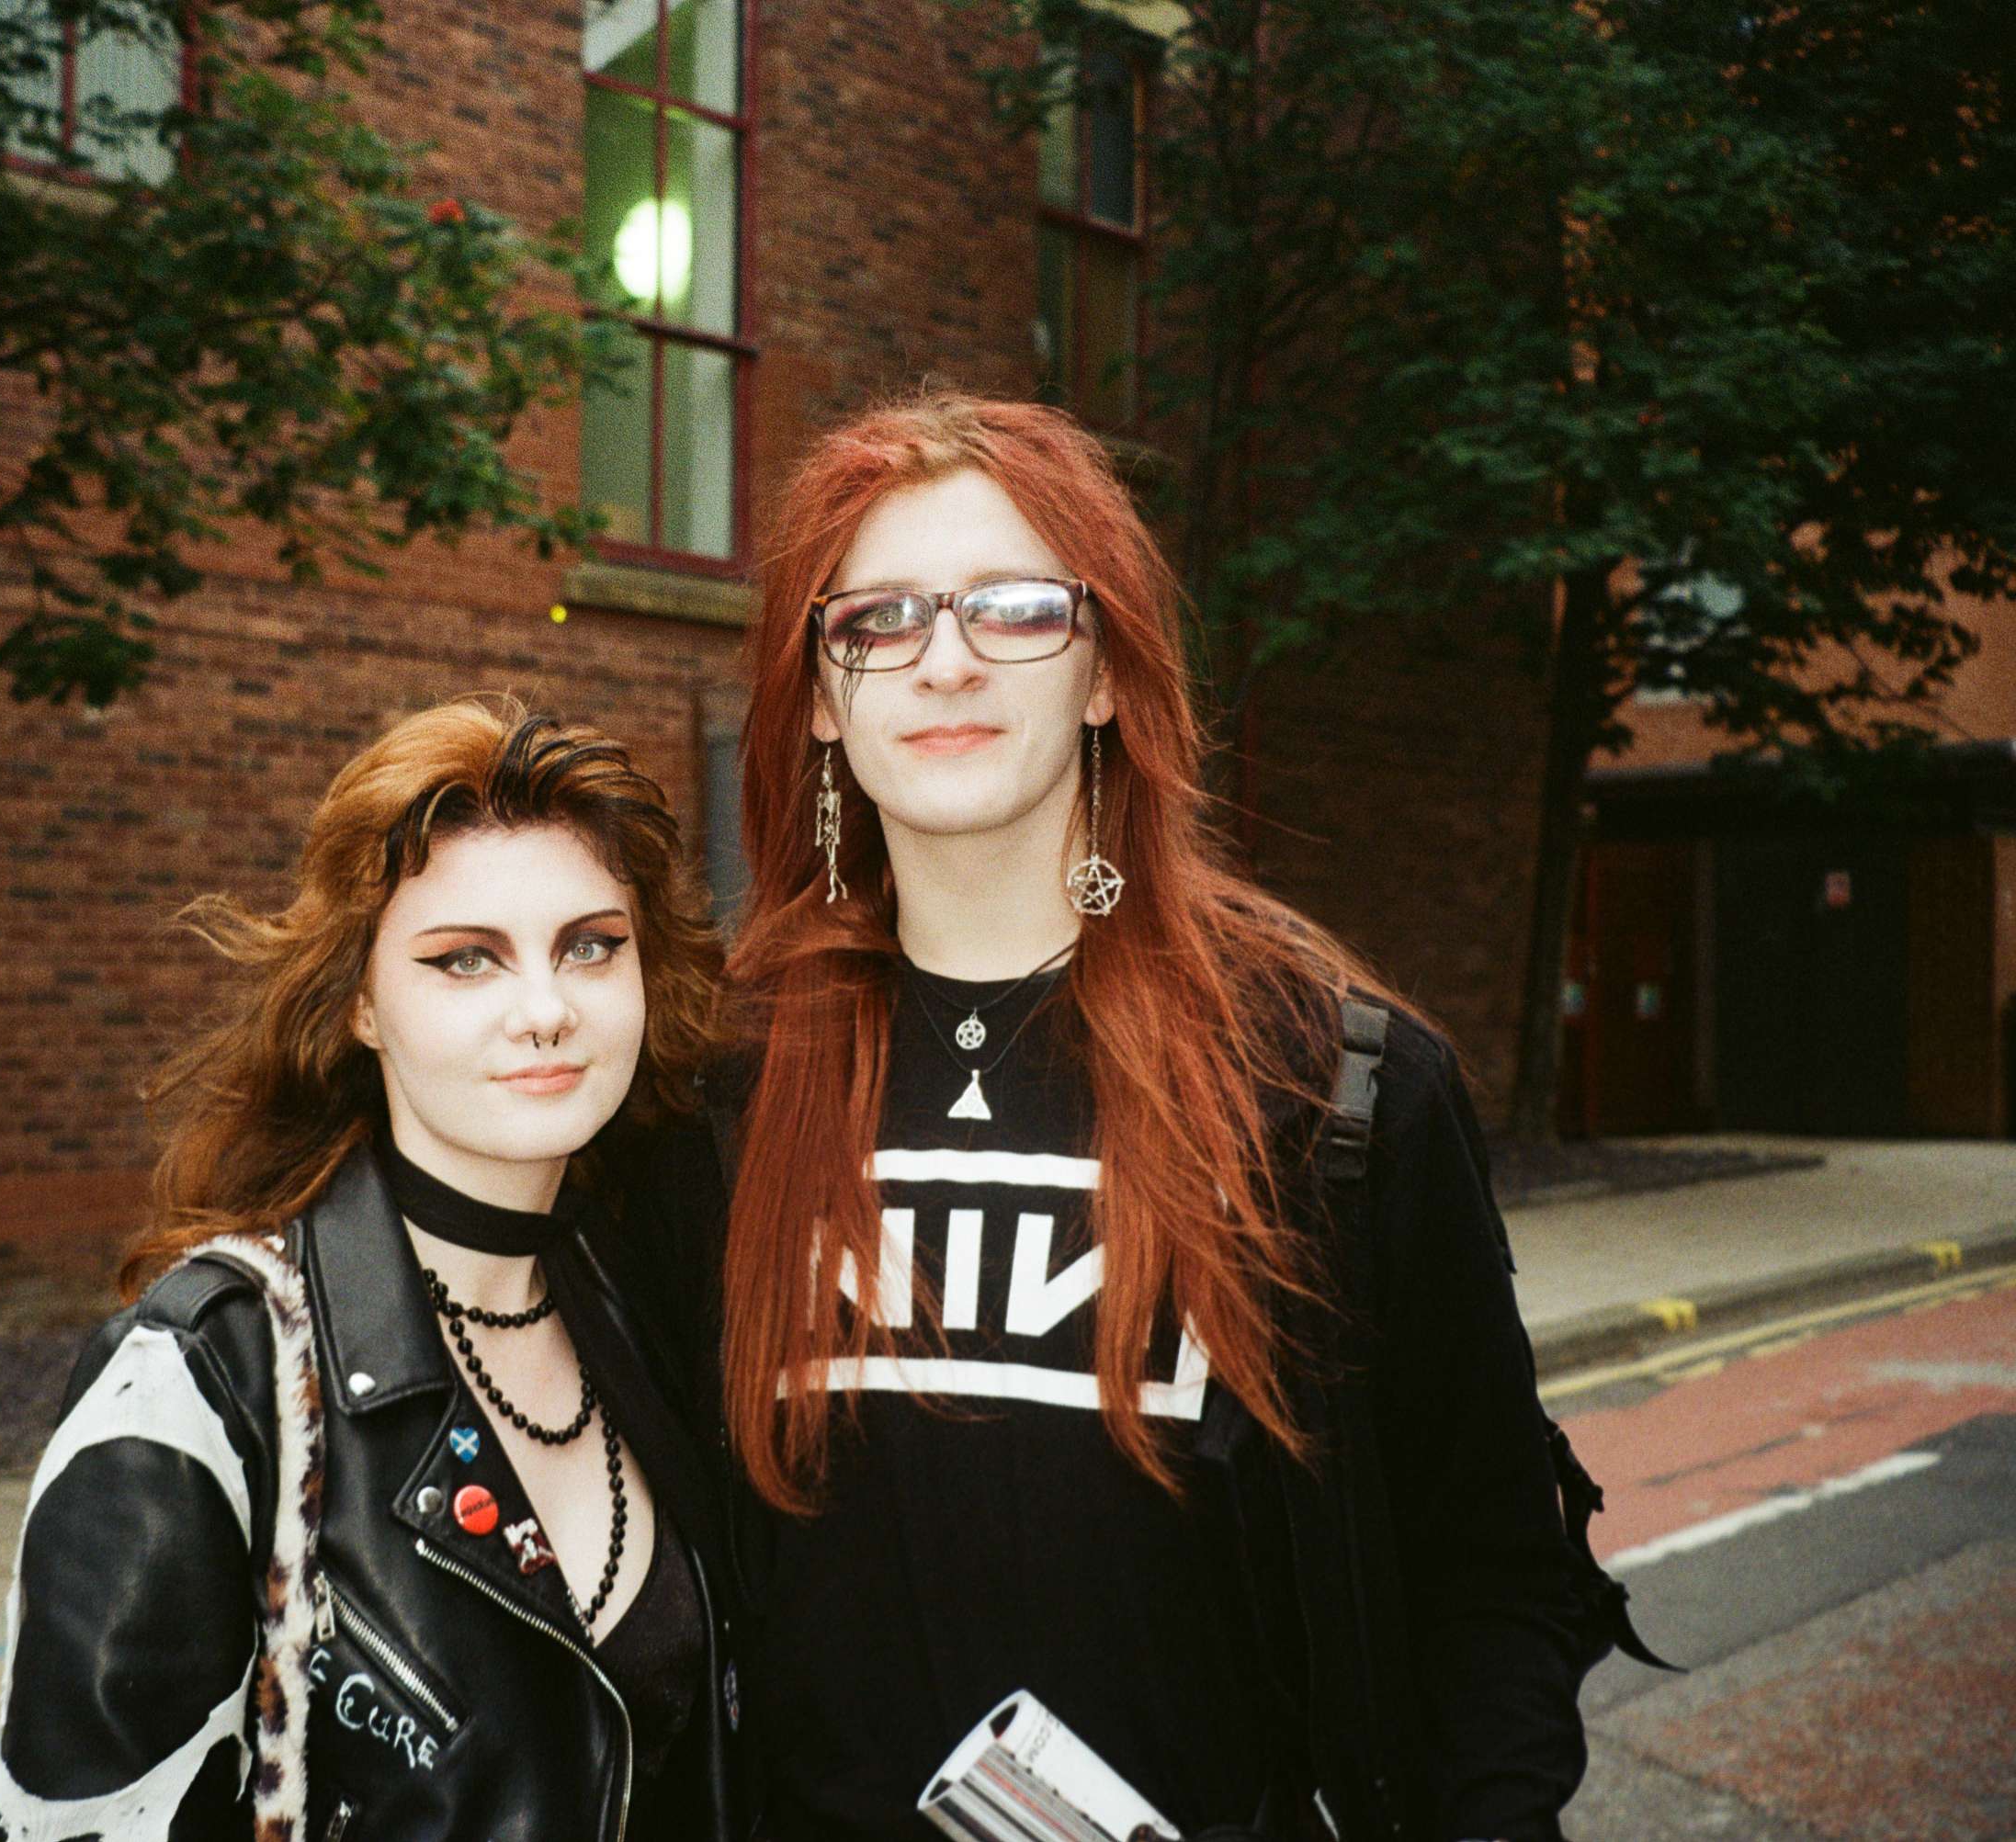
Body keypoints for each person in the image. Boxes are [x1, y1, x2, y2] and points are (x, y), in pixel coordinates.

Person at [667, 396, 1606, 1842]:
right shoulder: (716, 1088)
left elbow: (1488, 1575)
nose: (947, 659)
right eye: (881, 621)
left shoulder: (1329, 1085)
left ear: (1106, 672)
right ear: (819, 697)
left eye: (1019, 608)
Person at [0, 697, 742, 1842]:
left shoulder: (645, 1301)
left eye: (591, 945)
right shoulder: (207, 1375)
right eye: (465, 960)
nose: (546, 1010)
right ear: (361, 1007)